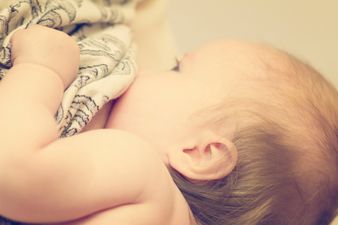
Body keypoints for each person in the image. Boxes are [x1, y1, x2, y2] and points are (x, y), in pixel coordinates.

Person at [0, 25, 337, 225]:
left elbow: (11, 168)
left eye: (176, 69)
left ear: (200, 152)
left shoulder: (138, 171)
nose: (141, 70)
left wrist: (42, 68)